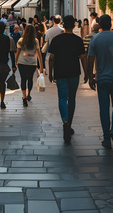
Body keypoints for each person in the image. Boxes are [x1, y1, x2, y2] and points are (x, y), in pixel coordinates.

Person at [88, 14, 113, 149]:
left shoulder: (95, 39)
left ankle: (106, 138)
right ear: (110, 24)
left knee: (104, 108)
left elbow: (90, 59)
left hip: (102, 79)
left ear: (99, 25)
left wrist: (90, 77)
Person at [48, 15, 85, 144]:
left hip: (60, 72)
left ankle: (65, 121)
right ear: (74, 25)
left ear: (63, 25)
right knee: (72, 98)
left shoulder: (56, 40)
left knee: (62, 98)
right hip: (74, 72)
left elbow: (51, 57)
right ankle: (69, 124)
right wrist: (87, 73)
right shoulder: (77, 40)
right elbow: (83, 57)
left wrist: (50, 73)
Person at [15, 25, 43, 107]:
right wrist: (41, 66)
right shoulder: (35, 41)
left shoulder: (21, 40)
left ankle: (24, 97)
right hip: (32, 63)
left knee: (23, 79)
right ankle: (28, 94)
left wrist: (15, 62)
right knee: (30, 79)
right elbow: (39, 54)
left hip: (22, 62)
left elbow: (17, 52)